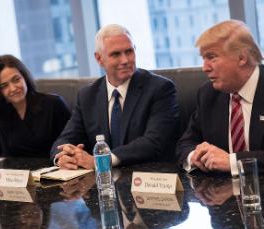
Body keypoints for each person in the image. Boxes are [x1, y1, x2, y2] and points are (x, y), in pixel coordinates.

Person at [176, 20, 264, 176]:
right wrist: (196, 157)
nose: (205, 67)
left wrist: (233, 162)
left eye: (212, 57)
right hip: (221, 195)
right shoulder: (208, 94)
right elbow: (186, 144)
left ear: (241, 58)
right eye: (203, 58)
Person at [51, 24, 180, 169]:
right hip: (102, 183)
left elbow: (154, 142)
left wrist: (102, 161)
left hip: (149, 179)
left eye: (129, 51)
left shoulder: (160, 88)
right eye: (116, 54)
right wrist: (63, 157)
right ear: (99, 58)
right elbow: (65, 139)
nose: (125, 60)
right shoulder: (87, 95)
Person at [0, 55, 70, 157]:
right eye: (4, 86)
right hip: (16, 172)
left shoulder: (53, 104)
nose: (13, 88)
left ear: (25, 77)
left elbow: (71, 141)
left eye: (16, 79)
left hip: (55, 169)